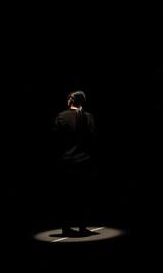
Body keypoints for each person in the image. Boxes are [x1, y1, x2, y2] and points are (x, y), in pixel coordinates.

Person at [52, 90, 97, 236]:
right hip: (84, 162)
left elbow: (55, 139)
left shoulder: (62, 116)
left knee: (66, 196)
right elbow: (93, 139)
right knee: (83, 196)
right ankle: (82, 227)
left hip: (67, 162)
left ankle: (66, 228)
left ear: (71, 100)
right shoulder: (88, 117)